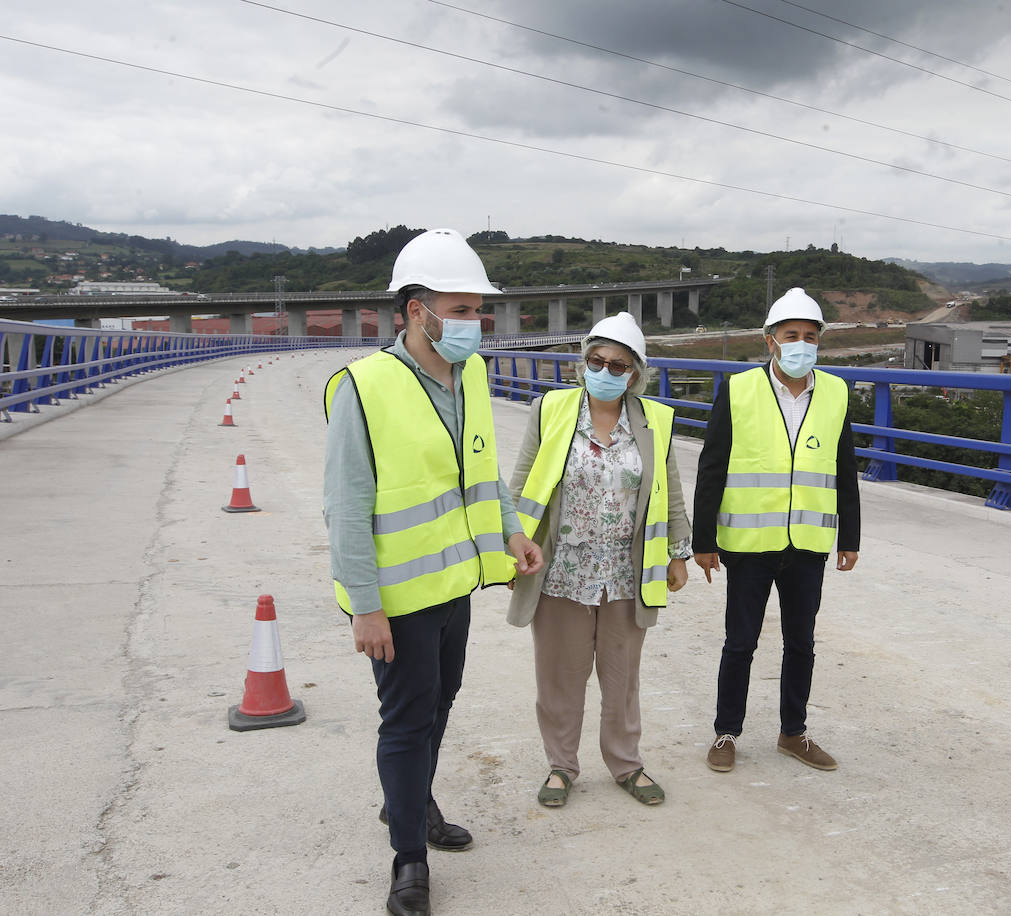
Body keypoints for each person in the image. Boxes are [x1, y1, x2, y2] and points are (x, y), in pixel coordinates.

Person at [323, 228, 543, 916]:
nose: (474, 323)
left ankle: (410, 805)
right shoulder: (363, 386)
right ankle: (410, 859)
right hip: (397, 596)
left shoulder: (471, 374)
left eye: (479, 309)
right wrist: (365, 604)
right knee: (407, 721)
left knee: (439, 705)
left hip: (456, 584)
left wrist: (511, 531)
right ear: (416, 309)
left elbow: (481, 468)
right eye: (460, 308)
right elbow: (345, 503)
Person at [506, 311, 690, 808]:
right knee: (559, 677)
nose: (605, 371)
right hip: (561, 570)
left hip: (625, 574)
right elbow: (522, 482)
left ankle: (626, 764)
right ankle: (561, 767)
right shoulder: (552, 410)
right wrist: (511, 546)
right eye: (596, 361)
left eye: (617, 365)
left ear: (635, 374)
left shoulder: (655, 421)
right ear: (583, 361)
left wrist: (678, 555)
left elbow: (670, 492)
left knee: (621, 677)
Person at [693, 287, 860, 774]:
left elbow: (843, 469)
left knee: (801, 644)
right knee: (740, 643)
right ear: (770, 341)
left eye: (811, 336)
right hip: (749, 542)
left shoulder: (835, 392)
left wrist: (849, 537)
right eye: (792, 336)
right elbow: (712, 467)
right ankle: (726, 733)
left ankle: (794, 733)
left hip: (808, 541)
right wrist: (704, 541)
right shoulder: (739, 389)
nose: (801, 344)